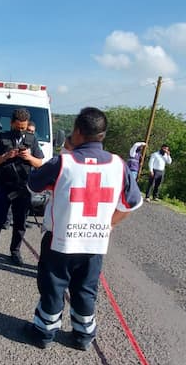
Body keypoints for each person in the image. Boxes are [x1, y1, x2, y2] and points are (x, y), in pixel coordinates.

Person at [24, 107, 143, 350]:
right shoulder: (118, 164)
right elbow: (132, 203)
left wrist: (65, 153)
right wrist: (108, 224)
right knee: (86, 290)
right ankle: (83, 336)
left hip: (60, 241)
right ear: (102, 134)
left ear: (77, 131)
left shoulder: (63, 162)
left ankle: (44, 333)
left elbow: (33, 185)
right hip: (95, 244)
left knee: (53, 287)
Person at [0, 108, 44, 267]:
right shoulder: (2, 138)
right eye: (18, 127)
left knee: (20, 224)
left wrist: (29, 157)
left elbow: (40, 163)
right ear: (12, 123)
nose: (21, 130)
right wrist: (6, 156)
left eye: (24, 127)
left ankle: (15, 252)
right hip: (4, 186)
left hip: (23, 188)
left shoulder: (32, 139)